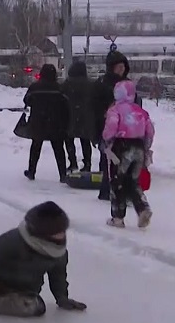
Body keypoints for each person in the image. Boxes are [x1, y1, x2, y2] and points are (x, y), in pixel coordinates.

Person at [102, 80, 155, 229]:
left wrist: (106, 138)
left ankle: (118, 217)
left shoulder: (115, 110)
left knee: (117, 181)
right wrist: (145, 147)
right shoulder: (140, 111)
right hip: (138, 146)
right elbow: (150, 131)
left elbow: (111, 128)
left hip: (121, 147)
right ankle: (143, 208)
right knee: (133, 181)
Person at [92, 51, 142, 200]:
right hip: (107, 127)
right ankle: (107, 190)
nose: (120, 70)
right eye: (118, 67)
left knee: (123, 162)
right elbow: (94, 108)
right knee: (108, 160)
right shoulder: (102, 84)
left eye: (122, 67)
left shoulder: (128, 84)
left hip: (126, 130)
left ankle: (119, 190)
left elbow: (137, 106)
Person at [22, 64, 70, 183]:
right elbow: (66, 105)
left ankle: (31, 171)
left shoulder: (35, 87)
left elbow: (27, 100)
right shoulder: (59, 88)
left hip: (38, 122)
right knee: (59, 149)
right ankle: (63, 174)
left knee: (36, 147)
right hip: (56, 123)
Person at [59, 61, 96, 172]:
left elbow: (61, 99)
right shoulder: (91, 84)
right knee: (85, 142)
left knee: (69, 140)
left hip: (70, 116)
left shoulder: (67, 84)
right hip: (86, 117)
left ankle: (73, 162)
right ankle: (87, 164)